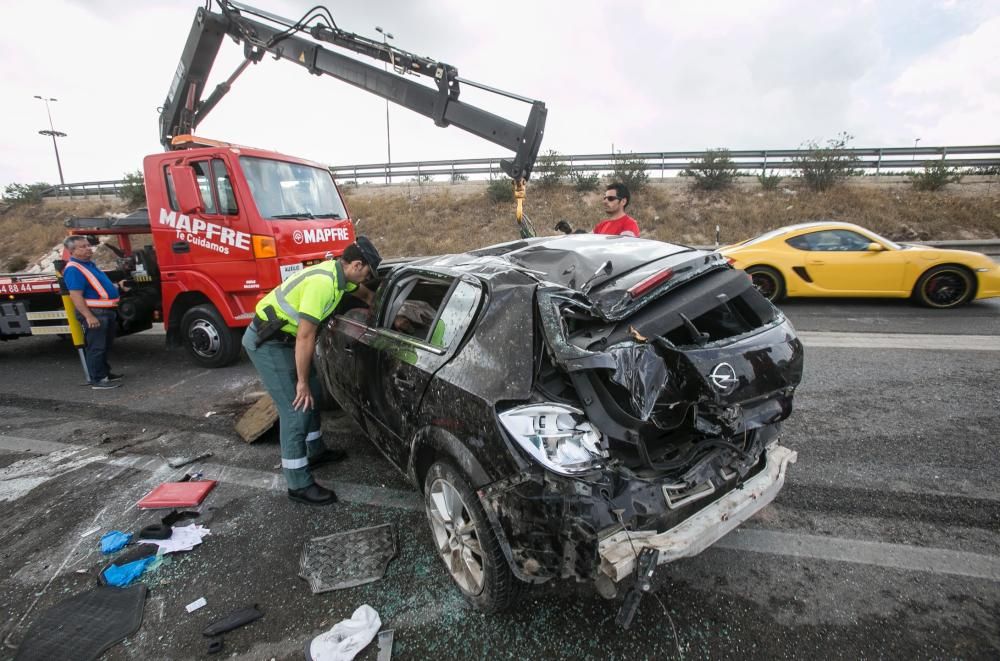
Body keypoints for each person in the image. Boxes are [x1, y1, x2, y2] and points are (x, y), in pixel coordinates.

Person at [242, 237, 381, 506]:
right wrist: (301, 382)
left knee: (314, 394)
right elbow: (305, 337)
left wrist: (388, 310)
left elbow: (364, 294)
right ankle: (298, 483)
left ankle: (315, 451)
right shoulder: (323, 284)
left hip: (284, 340)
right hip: (269, 344)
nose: (367, 277)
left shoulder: (342, 276)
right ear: (355, 264)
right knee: (296, 409)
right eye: (367, 271)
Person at [62, 236, 128, 390]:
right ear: (72, 251)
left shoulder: (89, 265)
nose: (88, 248)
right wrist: (89, 316)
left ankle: (105, 373)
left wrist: (118, 287)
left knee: (105, 345)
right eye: (82, 247)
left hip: (106, 311)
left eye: (88, 245)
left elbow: (98, 287)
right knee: (96, 347)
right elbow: (75, 295)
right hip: (95, 313)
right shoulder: (74, 269)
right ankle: (97, 380)